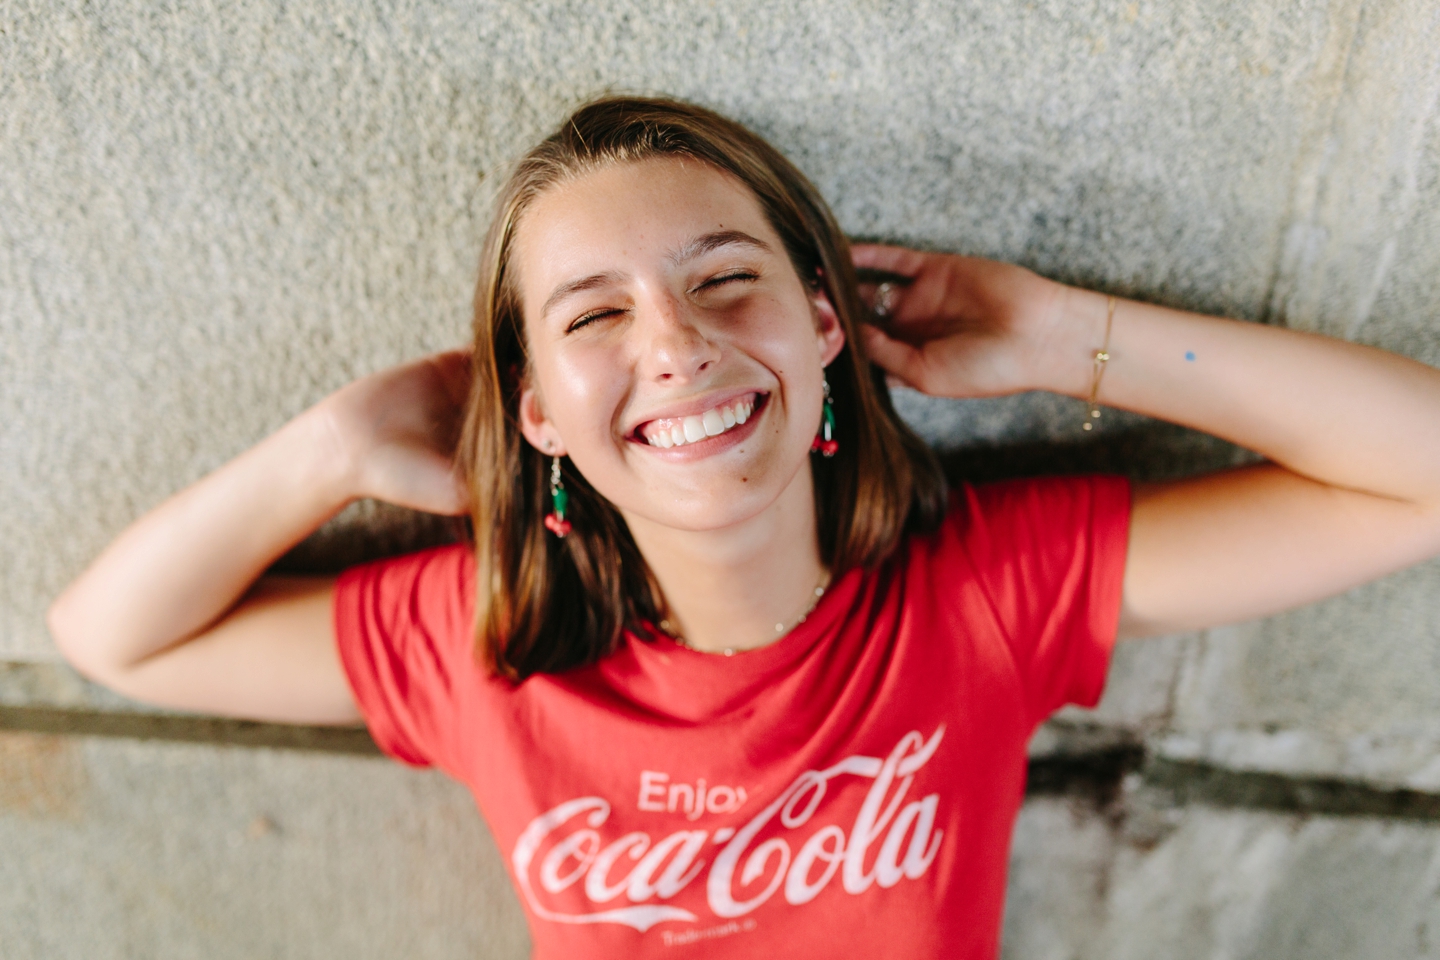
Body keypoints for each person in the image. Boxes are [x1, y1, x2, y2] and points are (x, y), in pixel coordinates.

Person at [48, 96, 1440, 958]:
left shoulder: (984, 597)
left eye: (726, 280)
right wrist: (329, 450)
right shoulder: (487, 646)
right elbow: (113, 640)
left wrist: (1074, 340)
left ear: (825, 324)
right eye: (595, 314)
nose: (676, 344)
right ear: (536, 410)